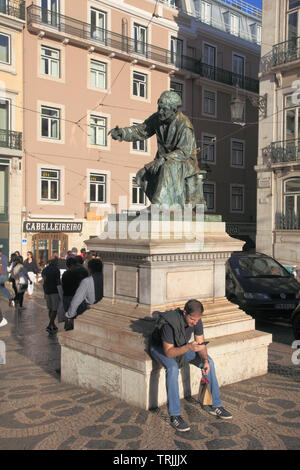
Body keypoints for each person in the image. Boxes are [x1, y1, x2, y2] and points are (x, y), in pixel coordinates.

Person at [109, 90, 206, 209]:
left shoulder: (184, 125)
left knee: (167, 167)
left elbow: (184, 152)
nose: (160, 112)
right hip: (165, 160)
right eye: (159, 107)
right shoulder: (157, 118)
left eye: (164, 109)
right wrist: (122, 133)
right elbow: (141, 130)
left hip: (184, 163)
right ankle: (163, 204)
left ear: (174, 110)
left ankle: (160, 205)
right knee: (142, 175)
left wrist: (163, 159)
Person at [149, 299, 232, 432]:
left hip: (182, 347)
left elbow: (200, 343)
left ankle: (213, 404)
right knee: (173, 368)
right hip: (161, 349)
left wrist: (204, 359)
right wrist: (188, 346)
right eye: (192, 319)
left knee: (209, 362)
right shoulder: (169, 325)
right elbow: (169, 353)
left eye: (197, 320)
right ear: (184, 312)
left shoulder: (197, 321)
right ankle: (175, 415)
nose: (194, 323)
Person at [64, 258, 103, 331]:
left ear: (90, 269)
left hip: (91, 314)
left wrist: (69, 315)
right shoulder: (106, 279)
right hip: (105, 314)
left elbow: (76, 300)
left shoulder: (86, 281)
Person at [42, 258, 61, 333]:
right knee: (55, 309)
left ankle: (52, 324)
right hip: (54, 291)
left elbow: (43, 281)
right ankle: (50, 324)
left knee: (50, 308)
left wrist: (44, 291)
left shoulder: (45, 269)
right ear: (55, 263)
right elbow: (58, 281)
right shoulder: (56, 270)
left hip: (47, 290)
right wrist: (60, 292)